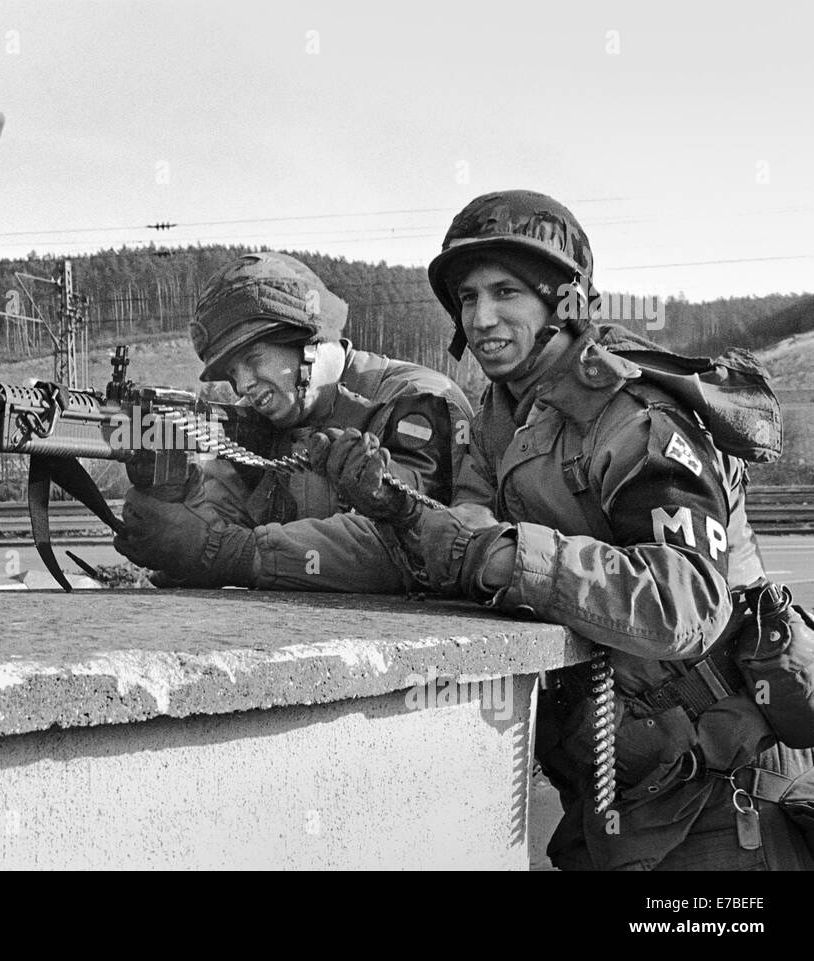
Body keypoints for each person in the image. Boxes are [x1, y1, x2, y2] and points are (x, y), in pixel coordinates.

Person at [310, 189, 814, 870]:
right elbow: (469, 540)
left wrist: (504, 556)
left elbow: (684, 602)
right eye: (467, 298)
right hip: (627, 794)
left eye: (506, 292)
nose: (481, 318)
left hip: (728, 794)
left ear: (563, 303)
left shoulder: (635, 416)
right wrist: (400, 511)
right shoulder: (502, 417)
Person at [112, 251, 473, 592]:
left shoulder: (417, 399)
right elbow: (213, 516)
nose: (244, 385)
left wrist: (232, 554)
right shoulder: (263, 420)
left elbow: (407, 547)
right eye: (233, 375)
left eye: (253, 358)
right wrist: (171, 505)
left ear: (307, 337)